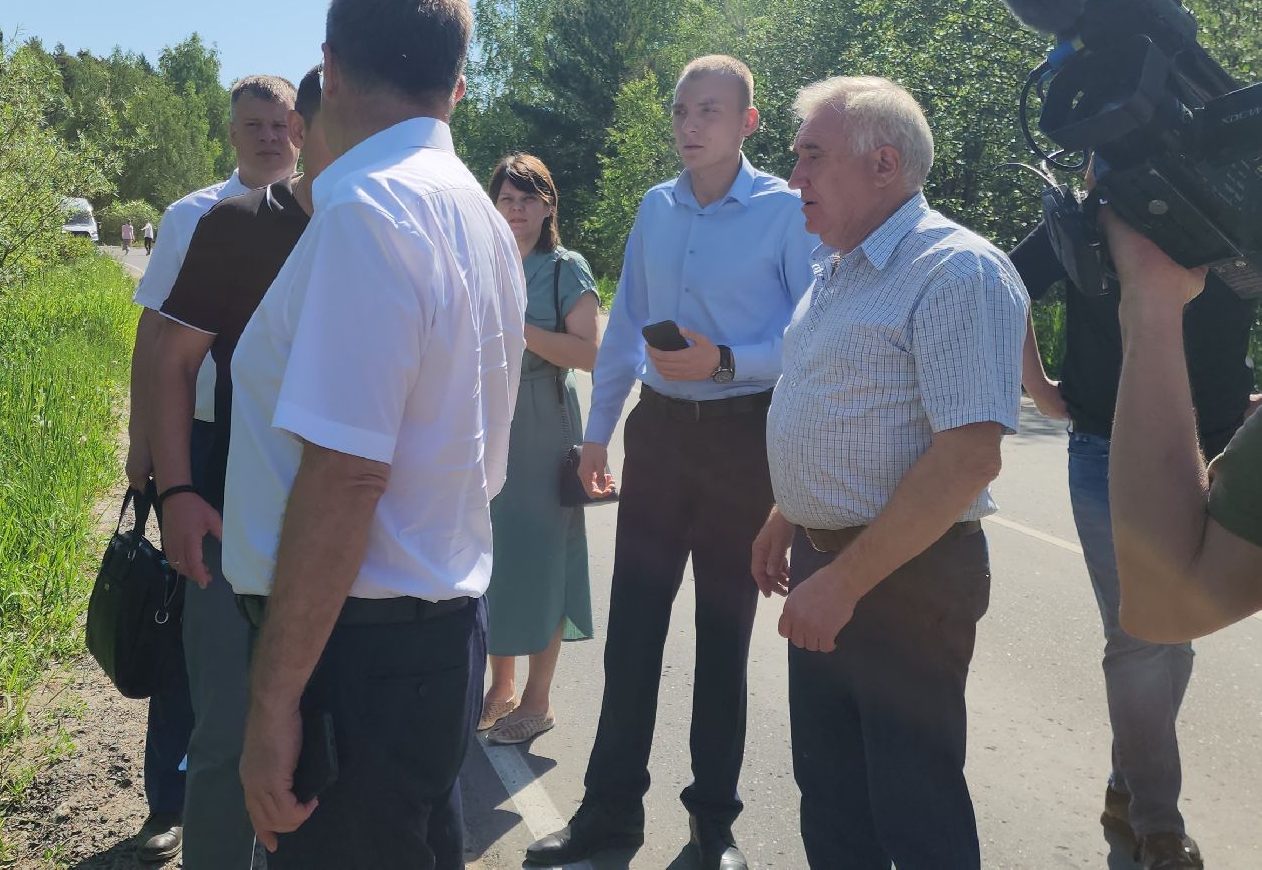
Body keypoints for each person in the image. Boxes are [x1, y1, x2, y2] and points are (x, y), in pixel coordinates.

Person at [188, 0, 523, 868]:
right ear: (457, 84)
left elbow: (347, 475)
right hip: (434, 634)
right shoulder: (480, 217)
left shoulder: (369, 213)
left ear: (329, 69)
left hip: (356, 658)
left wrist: (273, 704)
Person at [527, 55, 816, 870]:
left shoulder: (785, 211)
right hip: (659, 438)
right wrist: (597, 436)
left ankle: (712, 832)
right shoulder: (656, 209)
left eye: (710, 112)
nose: (690, 127)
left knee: (723, 639)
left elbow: (809, 333)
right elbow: (624, 334)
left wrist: (727, 361)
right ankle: (608, 818)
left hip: (741, 442)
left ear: (748, 123)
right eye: (682, 112)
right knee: (634, 637)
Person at [751, 75, 1028, 870]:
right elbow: (839, 402)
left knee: (914, 810)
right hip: (827, 561)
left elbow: (969, 456)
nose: (793, 178)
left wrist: (843, 583)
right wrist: (787, 513)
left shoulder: (955, 271)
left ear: (882, 165)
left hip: (903, 579)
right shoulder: (838, 267)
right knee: (835, 802)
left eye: (810, 158)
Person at [1011, 179, 1255, 868]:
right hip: (1107, 452)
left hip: (1225, 448)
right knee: (1148, 637)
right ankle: (1156, 822)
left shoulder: (1236, 204)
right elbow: (1001, 285)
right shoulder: (1088, 219)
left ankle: (1128, 784)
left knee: (1174, 636)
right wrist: (1042, 389)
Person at [149, 65, 326, 870]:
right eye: (259, 124)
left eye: (286, 123)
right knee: (221, 704)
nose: (278, 137)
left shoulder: (389, 224)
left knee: (313, 713)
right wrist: (167, 477)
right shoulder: (217, 221)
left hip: (337, 490)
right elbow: (163, 354)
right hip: (221, 468)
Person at [479, 153, 600, 747]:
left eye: (528, 198)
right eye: (507, 198)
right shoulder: (484, 261)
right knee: (492, 555)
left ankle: (537, 700)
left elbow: (587, 353)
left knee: (543, 558)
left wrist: (515, 327)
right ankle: (499, 690)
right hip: (486, 421)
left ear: (549, 204)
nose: (517, 209)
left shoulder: (564, 268)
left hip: (542, 422)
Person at [1103, 206, 1262, 645]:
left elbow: (1164, 607)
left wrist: (1150, 291)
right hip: (1121, 442)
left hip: (1179, 447)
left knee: (1147, 654)